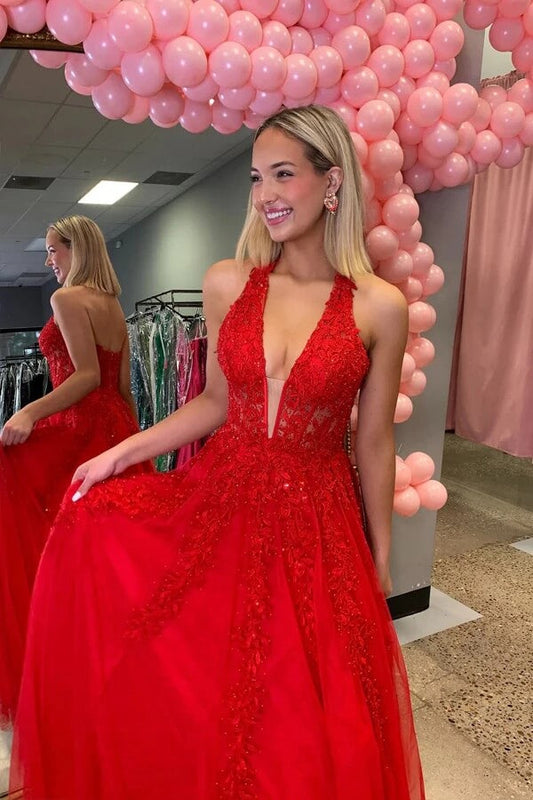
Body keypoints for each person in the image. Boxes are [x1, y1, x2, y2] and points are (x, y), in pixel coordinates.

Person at [11, 107, 425, 800]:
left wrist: (380, 557)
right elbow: (214, 402)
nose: (266, 194)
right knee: (207, 675)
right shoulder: (228, 283)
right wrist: (121, 453)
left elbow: (374, 440)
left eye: (283, 174)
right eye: (256, 178)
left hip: (318, 522)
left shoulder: (379, 305)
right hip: (223, 499)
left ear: (331, 183)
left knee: (303, 708)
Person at [0, 215, 149, 726]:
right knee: (108, 553)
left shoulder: (66, 299)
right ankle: (108, 670)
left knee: (33, 514)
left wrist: (27, 412)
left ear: (75, 248)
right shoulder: (112, 306)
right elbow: (122, 389)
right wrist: (135, 443)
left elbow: (85, 376)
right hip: (116, 426)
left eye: (52, 250)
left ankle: (51, 659)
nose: (48, 260)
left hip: (80, 428)